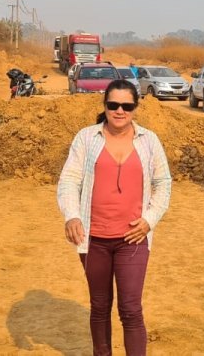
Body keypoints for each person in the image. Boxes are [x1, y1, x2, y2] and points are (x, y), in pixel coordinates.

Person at [57, 79, 172, 356]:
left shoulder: (149, 140)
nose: (120, 111)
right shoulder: (86, 137)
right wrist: (72, 216)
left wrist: (149, 219)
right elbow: (69, 180)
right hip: (93, 238)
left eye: (127, 106)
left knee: (130, 309)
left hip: (132, 239)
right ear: (105, 106)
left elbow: (163, 182)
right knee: (99, 306)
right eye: (113, 105)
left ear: (135, 107)